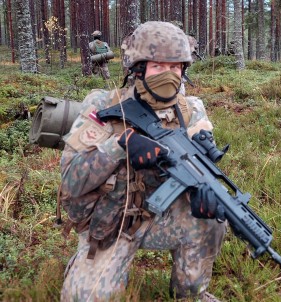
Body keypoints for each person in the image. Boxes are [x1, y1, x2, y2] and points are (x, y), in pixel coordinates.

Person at [60, 21, 226, 302]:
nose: (169, 75)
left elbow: (203, 166)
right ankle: (86, 267)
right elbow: (72, 181)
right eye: (158, 66)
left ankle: (191, 293)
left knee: (212, 218)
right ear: (138, 68)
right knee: (85, 298)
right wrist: (119, 146)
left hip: (165, 218)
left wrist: (207, 191)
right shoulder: (103, 106)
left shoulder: (191, 109)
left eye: (175, 67)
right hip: (112, 221)